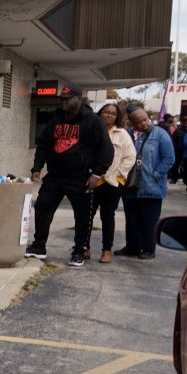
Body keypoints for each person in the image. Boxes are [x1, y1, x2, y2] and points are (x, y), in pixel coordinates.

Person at [24, 83, 112, 267]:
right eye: (61, 99)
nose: (63, 102)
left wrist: (96, 174)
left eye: (67, 99)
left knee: (82, 216)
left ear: (78, 99)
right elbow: (44, 145)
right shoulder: (56, 120)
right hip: (55, 176)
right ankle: (39, 246)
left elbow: (106, 149)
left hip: (80, 177)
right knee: (42, 207)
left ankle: (79, 250)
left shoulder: (92, 121)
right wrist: (37, 167)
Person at [117, 107, 175, 259]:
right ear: (131, 122)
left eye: (145, 119)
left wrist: (156, 174)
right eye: (139, 121)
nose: (144, 123)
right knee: (132, 219)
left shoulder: (160, 134)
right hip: (129, 184)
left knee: (149, 220)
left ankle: (149, 248)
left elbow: (169, 158)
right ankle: (132, 247)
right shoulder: (128, 134)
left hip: (151, 186)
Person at [86, 103, 135, 264]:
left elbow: (130, 157)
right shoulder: (91, 130)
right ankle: (83, 247)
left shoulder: (122, 134)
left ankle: (106, 250)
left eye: (113, 113)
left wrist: (119, 175)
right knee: (87, 215)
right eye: (106, 112)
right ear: (100, 113)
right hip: (92, 180)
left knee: (107, 216)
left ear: (117, 117)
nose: (108, 115)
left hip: (112, 182)